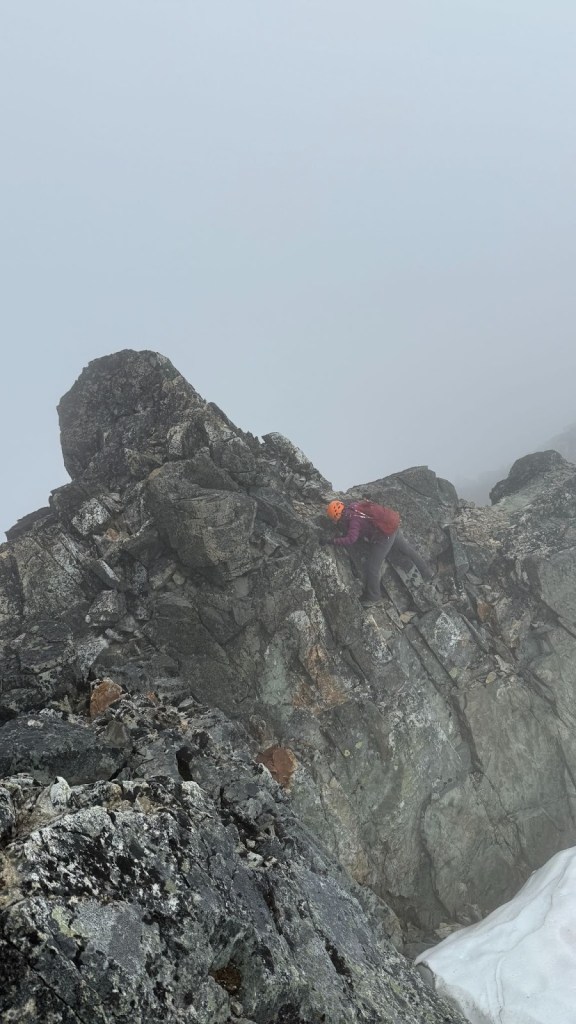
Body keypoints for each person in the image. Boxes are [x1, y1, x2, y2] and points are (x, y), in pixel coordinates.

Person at [323, 500, 434, 607]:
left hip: (384, 537)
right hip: (391, 527)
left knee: (372, 567)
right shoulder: (354, 506)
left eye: (333, 519)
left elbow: (351, 539)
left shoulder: (353, 521)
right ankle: (428, 573)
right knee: (408, 550)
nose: (334, 522)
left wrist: (332, 541)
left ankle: (374, 597)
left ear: (336, 516)